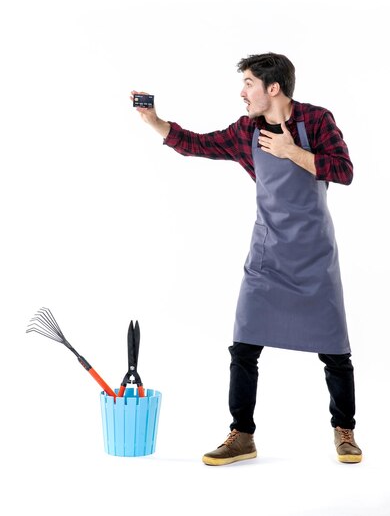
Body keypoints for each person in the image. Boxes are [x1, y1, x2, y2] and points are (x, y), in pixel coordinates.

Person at [130, 52, 362, 466]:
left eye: (250, 84)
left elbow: (343, 171)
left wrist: (293, 151)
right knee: (244, 347)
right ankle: (242, 435)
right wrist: (155, 123)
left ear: (273, 88)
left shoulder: (317, 121)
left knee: (334, 351)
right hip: (267, 256)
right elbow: (198, 144)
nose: (243, 93)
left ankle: (344, 431)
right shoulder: (246, 131)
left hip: (313, 256)